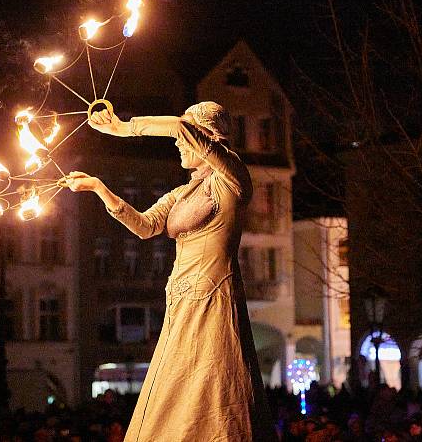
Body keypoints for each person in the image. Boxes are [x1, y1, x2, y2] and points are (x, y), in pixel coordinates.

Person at [65, 102, 276, 441]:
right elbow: (146, 226)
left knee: (215, 380)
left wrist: (123, 127)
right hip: (180, 298)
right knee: (177, 387)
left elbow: (180, 128)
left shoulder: (231, 178)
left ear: (205, 138)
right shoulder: (181, 194)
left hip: (214, 294)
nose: (178, 145)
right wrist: (99, 189)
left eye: (187, 139)